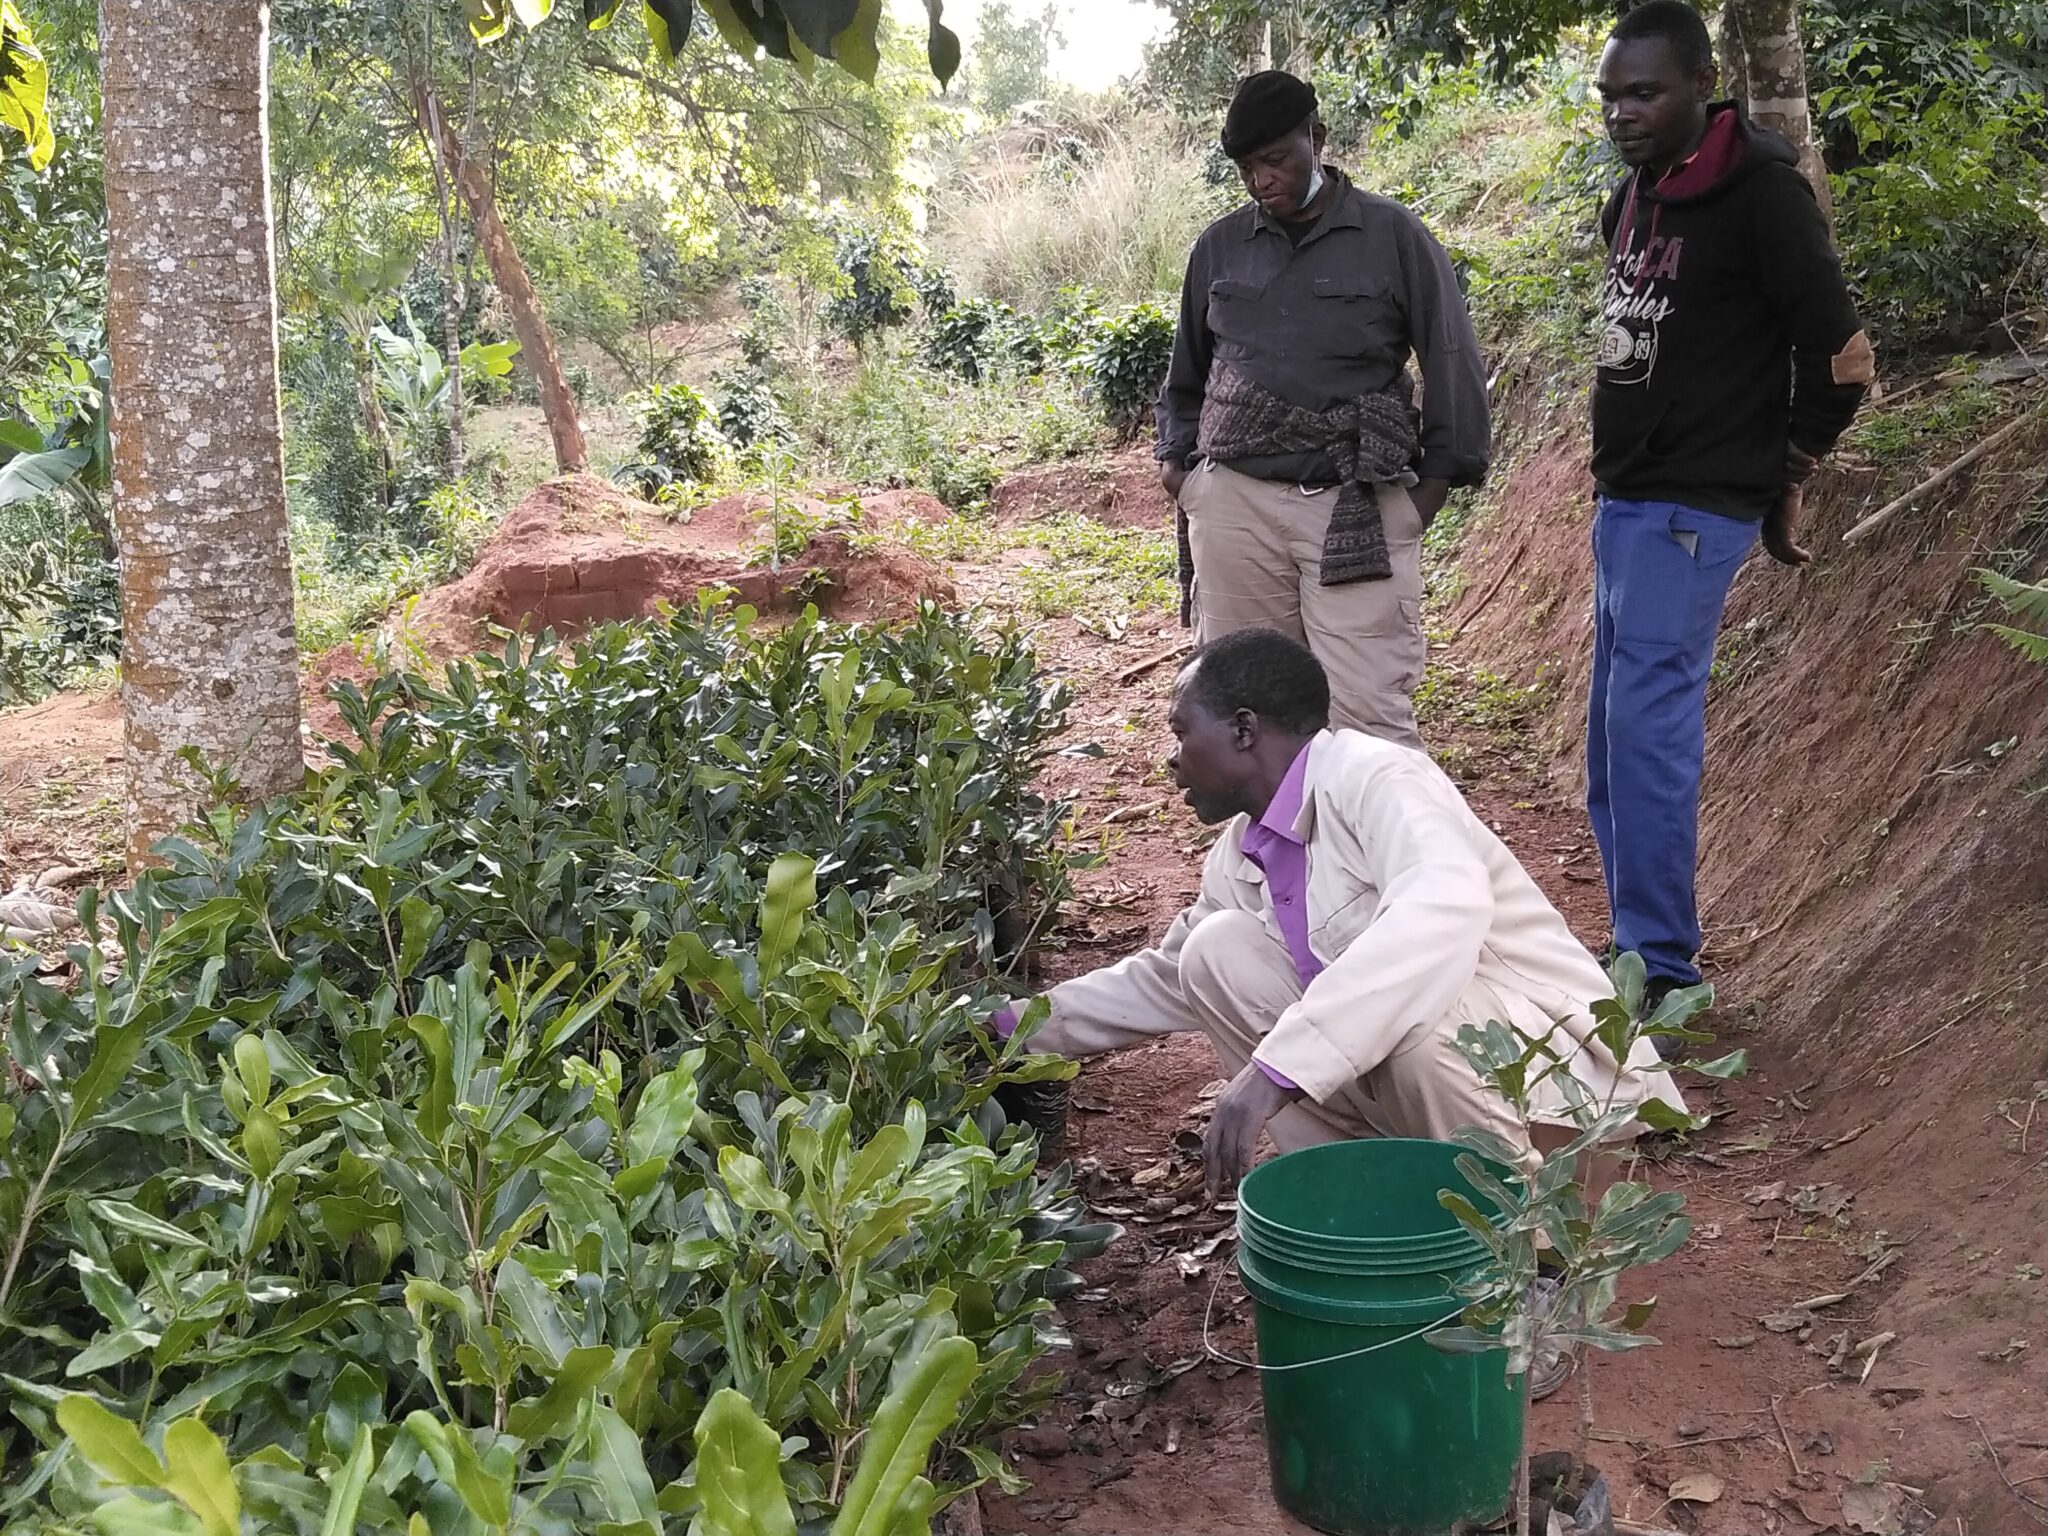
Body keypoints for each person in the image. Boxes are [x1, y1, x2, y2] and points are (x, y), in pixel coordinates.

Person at [995, 627, 1683, 1198]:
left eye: (1181, 733)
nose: (1172, 763)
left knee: (1410, 1020)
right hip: (1449, 1084)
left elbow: (1442, 906)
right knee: (1216, 949)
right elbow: (1170, 977)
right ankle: (1369, 1196)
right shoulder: (1247, 848)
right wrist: (1003, 1029)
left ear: (1243, 731)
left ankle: (1522, 1251)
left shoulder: (1379, 777)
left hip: (1549, 1094)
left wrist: (1274, 1071)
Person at [1587, 2, 1873, 1012]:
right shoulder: (1634, 193)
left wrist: (1788, 464)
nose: (1621, 112)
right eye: (1610, 94)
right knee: (1609, 754)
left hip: (1688, 512)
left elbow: (1838, 355)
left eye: (1643, 92)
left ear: (1700, 86)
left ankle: (1660, 977)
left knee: (1647, 748)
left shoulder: (1760, 193)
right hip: (1622, 511)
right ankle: (1634, 951)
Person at [1154, 70, 1490, 751]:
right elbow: (1186, 371)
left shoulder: (1393, 236)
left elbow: (1451, 359)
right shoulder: (1220, 246)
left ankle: (1372, 861)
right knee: (1245, 721)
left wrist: (1427, 493)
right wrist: (1180, 473)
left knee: (1369, 727)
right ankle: (1270, 862)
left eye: (1275, 159)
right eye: (1247, 168)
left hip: (1354, 505)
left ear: (1317, 138)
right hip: (1235, 509)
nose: (1262, 180)